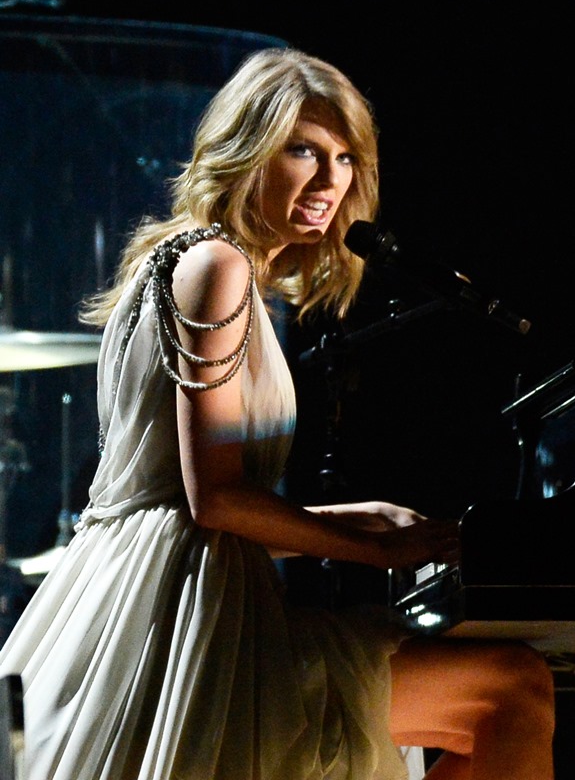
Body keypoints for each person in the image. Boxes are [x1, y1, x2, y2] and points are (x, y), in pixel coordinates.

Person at [0, 47, 555, 780]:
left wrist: (362, 517)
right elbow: (213, 500)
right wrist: (374, 548)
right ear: (245, 151)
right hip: (182, 624)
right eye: (303, 150)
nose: (330, 181)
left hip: (156, 595)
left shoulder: (182, 260)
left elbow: (181, 504)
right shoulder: (217, 265)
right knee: (511, 686)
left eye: (345, 158)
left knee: (501, 694)